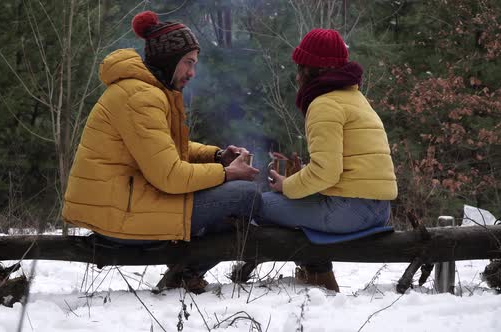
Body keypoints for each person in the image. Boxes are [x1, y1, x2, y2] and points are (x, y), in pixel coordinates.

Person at [62, 11, 260, 293]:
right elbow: (169, 175)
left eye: (194, 64)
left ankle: (187, 270)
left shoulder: (144, 90)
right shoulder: (141, 97)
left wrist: (216, 156)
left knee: (237, 196)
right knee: (246, 195)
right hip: (122, 216)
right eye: (187, 63)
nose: (192, 72)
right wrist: (227, 173)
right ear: (169, 60)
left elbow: (166, 150)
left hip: (123, 207)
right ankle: (187, 271)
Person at [262, 29, 398, 292]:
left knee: (260, 204)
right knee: (290, 205)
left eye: (299, 67)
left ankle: (317, 274)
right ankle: (317, 273)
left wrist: (286, 186)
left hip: (350, 210)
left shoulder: (324, 104)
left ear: (306, 70)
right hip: (379, 210)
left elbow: (326, 173)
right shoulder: (355, 98)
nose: (297, 74)